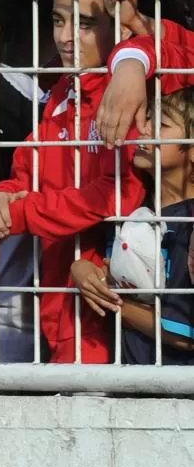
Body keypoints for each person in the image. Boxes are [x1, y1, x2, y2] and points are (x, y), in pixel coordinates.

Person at [0, 0, 154, 364]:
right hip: (59, 313)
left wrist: (20, 213)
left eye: (84, 24)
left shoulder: (127, 91)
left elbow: (118, 194)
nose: (66, 38)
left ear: (118, 28)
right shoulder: (61, 96)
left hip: (110, 318)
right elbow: (25, 172)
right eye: (58, 21)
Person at [71, 87, 194, 364]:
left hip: (176, 389)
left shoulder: (187, 222)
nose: (144, 129)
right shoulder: (135, 213)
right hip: (132, 384)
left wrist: (114, 302)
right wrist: (82, 271)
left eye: (160, 124)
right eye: (147, 119)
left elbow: (184, 335)